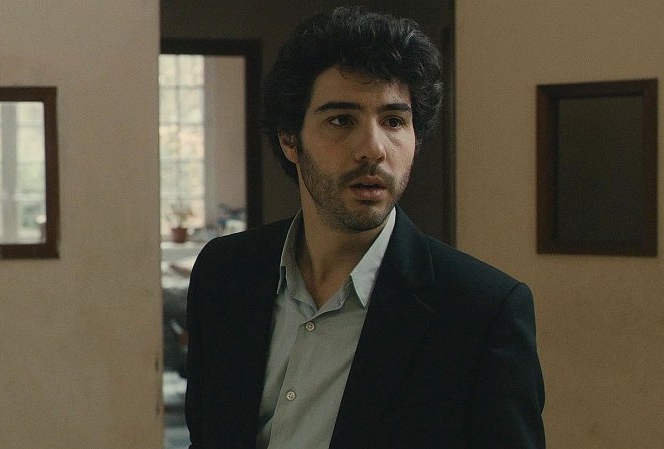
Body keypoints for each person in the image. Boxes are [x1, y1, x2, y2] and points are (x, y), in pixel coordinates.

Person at [184, 6, 545, 449]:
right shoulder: (224, 272)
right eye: (341, 120)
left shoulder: (481, 311)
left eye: (394, 121)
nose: (373, 149)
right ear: (290, 139)